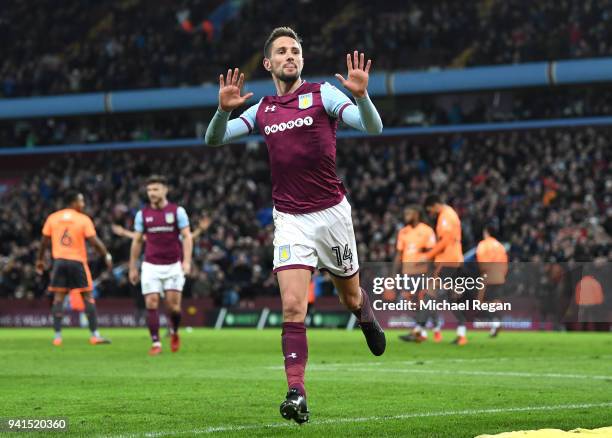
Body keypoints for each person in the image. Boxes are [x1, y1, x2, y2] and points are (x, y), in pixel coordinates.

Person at [204, 26, 385, 424]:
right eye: (282, 51)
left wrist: (362, 96)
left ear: (302, 60)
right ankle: (297, 392)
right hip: (290, 219)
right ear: (268, 63)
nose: (290, 56)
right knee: (291, 306)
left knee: (350, 298)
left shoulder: (324, 95)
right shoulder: (263, 109)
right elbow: (214, 140)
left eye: (295, 51)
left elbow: (373, 127)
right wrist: (222, 110)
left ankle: (365, 316)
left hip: (332, 215)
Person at [36, 191, 113, 346]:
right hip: (77, 262)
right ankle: (94, 335)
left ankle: (57, 337)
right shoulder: (83, 219)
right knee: (87, 296)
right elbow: (94, 242)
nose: (83, 204)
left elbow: (44, 242)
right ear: (73, 202)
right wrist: (106, 256)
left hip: (59, 262)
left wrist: (39, 260)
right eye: (81, 201)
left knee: (58, 298)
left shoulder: (53, 218)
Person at [128, 175, 193, 356]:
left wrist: (187, 261)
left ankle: (174, 331)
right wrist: (132, 266)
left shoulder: (177, 211)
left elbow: (187, 236)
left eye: (156, 189)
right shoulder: (142, 214)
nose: (152, 193)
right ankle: (156, 342)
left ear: (165, 190)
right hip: (150, 265)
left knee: (174, 308)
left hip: (173, 265)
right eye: (149, 190)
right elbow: (137, 241)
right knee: (151, 302)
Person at [421, 195, 465, 345]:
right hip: (454, 260)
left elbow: (445, 240)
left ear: (434, 205)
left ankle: (420, 330)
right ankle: (461, 334)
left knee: (429, 293)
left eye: (430, 210)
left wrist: (429, 255)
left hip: (448, 260)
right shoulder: (451, 214)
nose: (431, 213)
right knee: (452, 298)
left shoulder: (445, 215)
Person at [394, 206, 439, 343]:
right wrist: (392, 276)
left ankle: (423, 329)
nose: (406, 214)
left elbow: (432, 253)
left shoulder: (426, 230)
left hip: (423, 272)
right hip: (407, 274)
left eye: (409, 212)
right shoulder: (403, 232)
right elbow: (399, 255)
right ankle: (424, 330)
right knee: (413, 304)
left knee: (424, 301)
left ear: (417, 214)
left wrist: (432, 274)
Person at [475, 223, 508, 337]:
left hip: (488, 277)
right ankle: (496, 324)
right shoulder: (500, 246)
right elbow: (505, 264)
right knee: (495, 301)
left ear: (486, 232)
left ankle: (496, 322)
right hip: (500, 277)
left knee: (480, 303)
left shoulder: (483, 245)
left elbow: (482, 264)